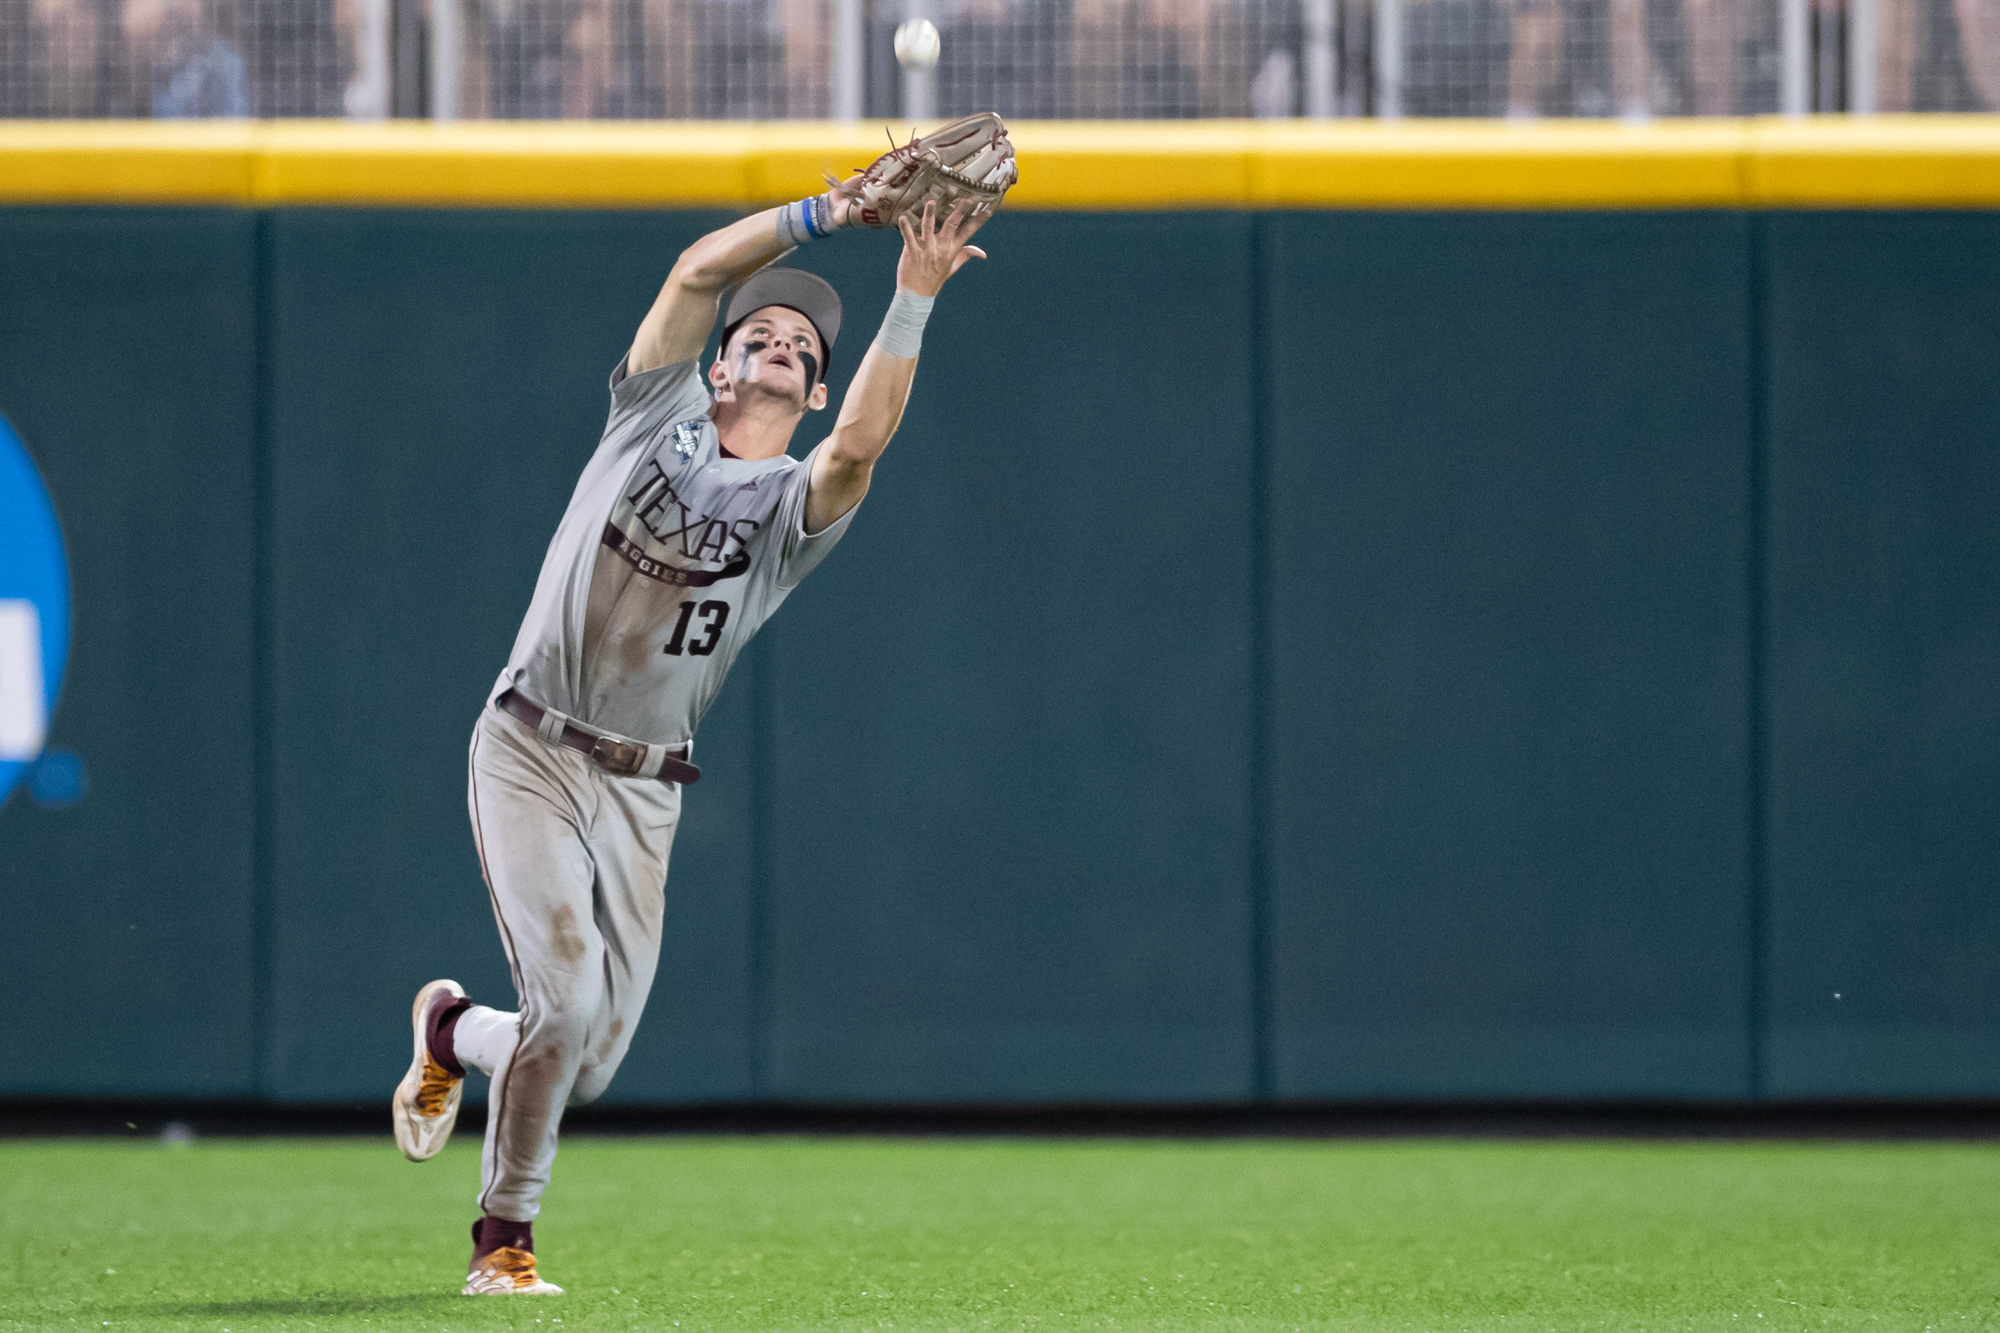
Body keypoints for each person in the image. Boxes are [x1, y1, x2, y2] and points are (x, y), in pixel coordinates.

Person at [387, 178, 990, 1296]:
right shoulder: (647, 417)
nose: (773, 339)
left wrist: (909, 298)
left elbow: (859, 448)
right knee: (564, 1010)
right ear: (717, 367)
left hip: (641, 789)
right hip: (529, 745)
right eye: (757, 332)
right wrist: (829, 209)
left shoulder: (785, 511)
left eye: (798, 345)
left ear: (807, 392)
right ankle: (503, 1241)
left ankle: (454, 1029)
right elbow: (694, 273)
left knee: (590, 1059)